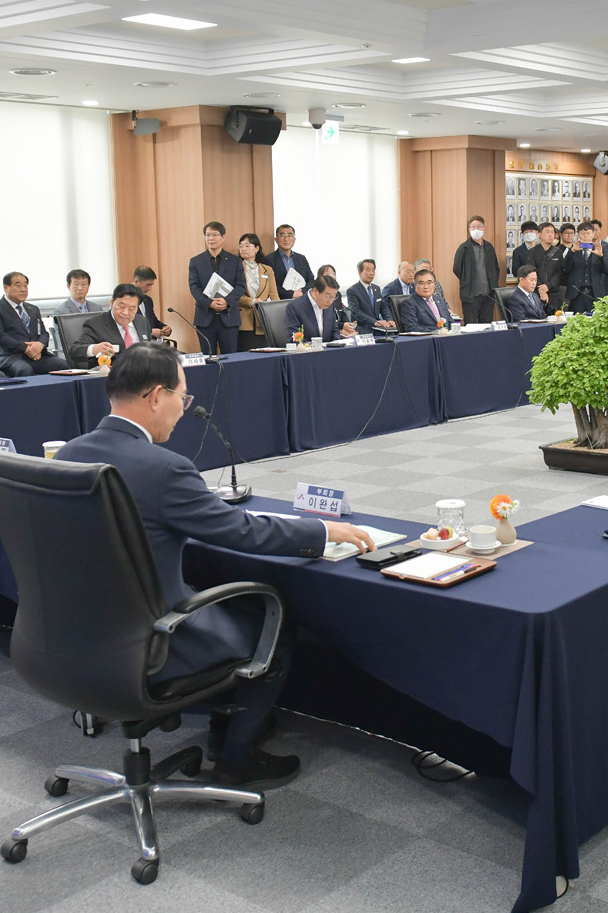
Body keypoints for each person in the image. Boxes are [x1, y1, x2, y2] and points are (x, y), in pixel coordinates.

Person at [57, 342, 375, 787]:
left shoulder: (68, 455)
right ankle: (236, 757)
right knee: (271, 618)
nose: (184, 409)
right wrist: (321, 531)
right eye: (182, 396)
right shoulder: (164, 468)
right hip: (150, 639)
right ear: (156, 396)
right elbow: (241, 531)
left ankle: (232, 723)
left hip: (74, 630)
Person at [0, 272, 69, 376]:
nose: (23, 289)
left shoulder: (33, 309)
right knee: (25, 370)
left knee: (64, 365)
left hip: (38, 355)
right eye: (18, 285)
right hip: (11, 357)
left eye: (25, 285)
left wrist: (40, 345)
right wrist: (27, 349)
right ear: (6, 287)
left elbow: (43, 333)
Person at [187, 221, 244, 357]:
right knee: (207, 358)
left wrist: (226, 301)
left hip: (229, 318)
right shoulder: (196, 261)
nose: (210, 238)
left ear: (223, 237)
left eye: (214, 235)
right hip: (205, 318)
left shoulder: (235, 260)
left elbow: (240, 286)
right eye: (207, 235)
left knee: (231, 359)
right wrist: (209, 303)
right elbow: (194, 287)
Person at [72, 283, 147, 365]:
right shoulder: (95, 324)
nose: (125, 313)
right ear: (112, 302)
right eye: (122, 307)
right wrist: (94, 349)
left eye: (131, 309)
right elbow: (75, 351)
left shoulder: (142, 321)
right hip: (113, 371)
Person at [453, 215, 501, 323]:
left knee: (487, 325)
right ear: (469, 229)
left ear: (483, 228)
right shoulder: (464, 247)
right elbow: (457, 268)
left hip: (488, 295)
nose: (476, 229)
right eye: (473, 227)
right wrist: (466, 279)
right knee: (471, 326)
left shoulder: (489, 247)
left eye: (479, 226)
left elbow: (495, 268)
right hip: (470, 295)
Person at [236, 234, 279, 350]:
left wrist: (276, 317)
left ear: (257, 248)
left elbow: (274, 295)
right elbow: (232, 294)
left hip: (263, 320)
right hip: (243, 320)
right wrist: (251, 301)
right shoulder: (235, 268)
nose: (243, 249)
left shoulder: (267, 270)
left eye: (247, 245)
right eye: (241, 246)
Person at [283, 275, 356, 343]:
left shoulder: (330, 305)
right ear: (315, 291)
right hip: (307, 351)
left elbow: (334, 331)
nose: (330, 301)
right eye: (327, 297)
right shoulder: (295, 307)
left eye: (333, 297)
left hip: (329, 350)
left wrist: (338, 344)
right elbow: (294, 338)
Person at [560, 222, 608, 313]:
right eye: (583, 234)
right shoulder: (573, 249)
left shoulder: (601, 248)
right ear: (578, 235)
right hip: (577, 293)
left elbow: (607, 270)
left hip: (595, 293)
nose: (586, 236)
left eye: (588, 233)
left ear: (593, 234)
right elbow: (565, 268)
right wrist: (572, 251)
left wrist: (601, 256)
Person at [346, 259, 395, 331]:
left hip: (379, 329)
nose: (371, 273)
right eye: (368, 270)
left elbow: (383, 307)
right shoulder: (352, 290)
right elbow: (356, 312)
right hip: (363, 329)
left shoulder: (376, 288)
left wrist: (389, 320)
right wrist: (375, 322)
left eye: (373, 270)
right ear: (360, 272)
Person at [268, 224, 313, 299]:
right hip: (281, 301)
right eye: (282, 235)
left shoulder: (302, 258)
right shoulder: (269, 259)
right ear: (276, 239)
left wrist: (302, 292)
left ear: (294, 239)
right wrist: (291, 294)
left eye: (289, 235)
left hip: (302, 300)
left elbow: (311, 280)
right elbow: (270, 285)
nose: (286, 239)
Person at [131, 266, 171, 340]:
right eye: (148, 285)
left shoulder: (148, 300)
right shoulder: (124, 300)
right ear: (136, 282)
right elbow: (125, 327)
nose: (149, 289)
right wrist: (150, 332)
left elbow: (152, 321)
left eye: (151, 285)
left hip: (150, 343)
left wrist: (164, 327)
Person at [537, 224, 565, 311]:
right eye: (547, 232)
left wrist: (548, 286)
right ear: (539, 234)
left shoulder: (558, 252)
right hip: (538, 292)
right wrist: (542, 289)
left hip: (554, 292)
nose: (550, 235)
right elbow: (532, 272)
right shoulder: (532, 252)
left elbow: (560, 272)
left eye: (552, 232)